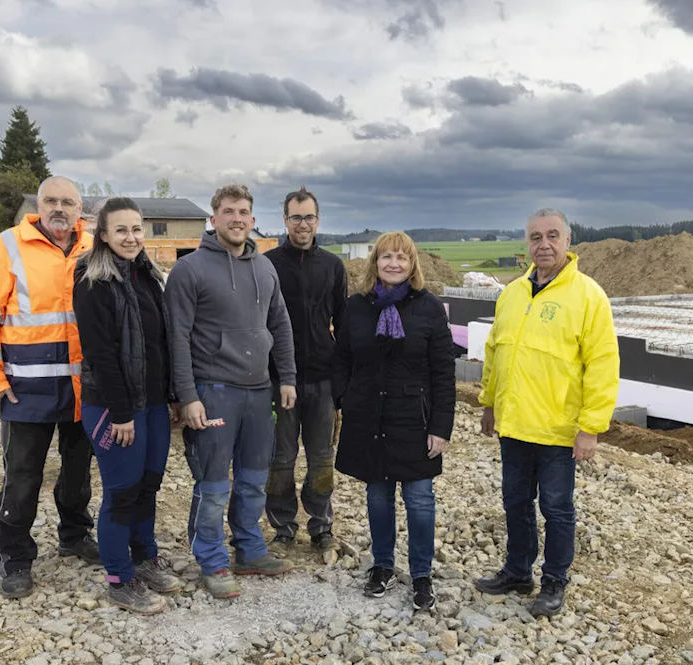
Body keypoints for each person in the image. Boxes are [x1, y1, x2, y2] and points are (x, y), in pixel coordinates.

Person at [474, 208, 620, 617]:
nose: (544, 244)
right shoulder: (513, 293)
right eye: (536, 237)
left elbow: (604, 365)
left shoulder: (588, 296)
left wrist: (590, 428)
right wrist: (489, 402)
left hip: (558, 430)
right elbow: (494, 352)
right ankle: (518, 571)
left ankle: (555, 581)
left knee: (556, 509)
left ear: (569, 241)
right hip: (515, 424)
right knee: (515, 502)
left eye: (552, 235)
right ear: (527, 244)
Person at [0, 176, 101, 599]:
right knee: (22, 476)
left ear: (81, 209)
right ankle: (14, 558)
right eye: (51, 201)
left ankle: (74, 535)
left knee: (78, 472)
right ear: (38, 205)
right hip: (25, 389)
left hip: (84, 388)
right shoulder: (4, 248)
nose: (59, 209)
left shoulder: (95, 248)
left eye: (68, 202)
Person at [165, 183, 298, 599]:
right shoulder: (190, 270)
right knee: (213, 483)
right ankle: (211, 558)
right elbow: (177, 338)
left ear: (253, 220)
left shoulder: (265, 269)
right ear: (214, 218)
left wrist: (288, 377)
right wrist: (187, 395)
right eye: (228, 211)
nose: (237, 218)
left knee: (254, 479)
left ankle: (250, 549)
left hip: (259, 390)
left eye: (244, 212)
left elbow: (280, 324)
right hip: (213, 389)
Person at [73, 197, 186, 614]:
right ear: (102, 235)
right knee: (121, 493)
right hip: (113, 408)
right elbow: (100, 354)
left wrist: (172, 397)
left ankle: (144, 557)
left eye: (137, 228)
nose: (131, 236)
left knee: (149, 485)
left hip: (153, 403)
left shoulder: (146, 276)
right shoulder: (92, 280)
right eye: (121, 229)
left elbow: (161, 345)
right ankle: (120, 577)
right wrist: (121, 413)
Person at [333, 231, 455, 611]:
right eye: (387, 256)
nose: (394, 263)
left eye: (402, 257)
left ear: (412, 263)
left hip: (414, 419)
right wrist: (344, 399)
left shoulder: (430, 308)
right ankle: (382, 566)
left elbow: (443, 372)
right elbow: (342, 360)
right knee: (378, 495)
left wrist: (440, 426)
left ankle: (421, 574)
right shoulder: (356, 307)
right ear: (375, 262)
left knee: (419, 499)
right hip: (368, 416)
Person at [264, 186, 347, 551]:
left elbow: (344, 325)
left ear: (318, 220)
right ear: (285, 220)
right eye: (295, 217)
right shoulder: (267, 265)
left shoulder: (332, 266)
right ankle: (283, 527)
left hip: (322, 378)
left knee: (321, 458)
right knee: (280, 458)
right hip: (278, 379)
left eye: (309, 217)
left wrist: (344, 381)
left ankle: (321, 526)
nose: (302, 224)